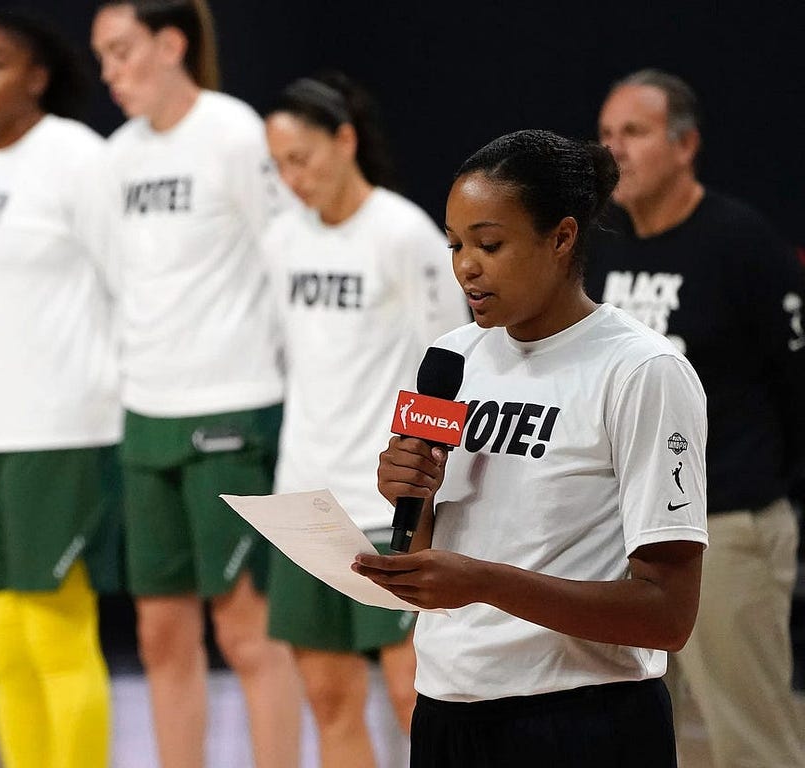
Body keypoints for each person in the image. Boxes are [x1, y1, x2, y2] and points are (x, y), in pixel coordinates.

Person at [352, 129, 709, 767]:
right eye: (456, 244)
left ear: (562, 237)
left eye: (490, 244)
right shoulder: (451, 358)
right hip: (446, 708)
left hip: (582, 717)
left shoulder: (641, 371)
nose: (466, 265)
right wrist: (409, 494)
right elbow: (425, 550)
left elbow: (668, 615)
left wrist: (484, 583)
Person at [89, 2, 302, 766]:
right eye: (102, 57)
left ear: (171, 43)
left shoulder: (236, 133)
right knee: (158, 634)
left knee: (247, 632)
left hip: (234, 409)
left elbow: (284, 258)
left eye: (121, 52)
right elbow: (118, 280)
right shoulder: (116, 157)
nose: (109, 72)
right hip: (146, 416)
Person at [587, 68, 805, 768]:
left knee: (750, 741)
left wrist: (759, 488)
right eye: (607, 134)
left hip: (724, 530)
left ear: (685, 146)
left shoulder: (743, 244)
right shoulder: (603, 248)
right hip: (626, 532)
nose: (615, 149)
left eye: (635, 133)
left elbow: (795, 385)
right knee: (640, 735)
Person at [261, 72, 466, 767]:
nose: (292, 178)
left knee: (415, 697)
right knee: (327, 697)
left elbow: (452, 368)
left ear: (345, 140)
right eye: (279, 164)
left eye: (302, 158)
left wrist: (427, 488)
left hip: (386, 504)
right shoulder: (281, 239)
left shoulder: (404, 234)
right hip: (306, 499)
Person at [0, 10, 122, 768]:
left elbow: (129, 285)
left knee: (54, 632)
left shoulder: (77, 156)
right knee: (1, 639)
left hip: (61, 429)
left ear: (36, 77)